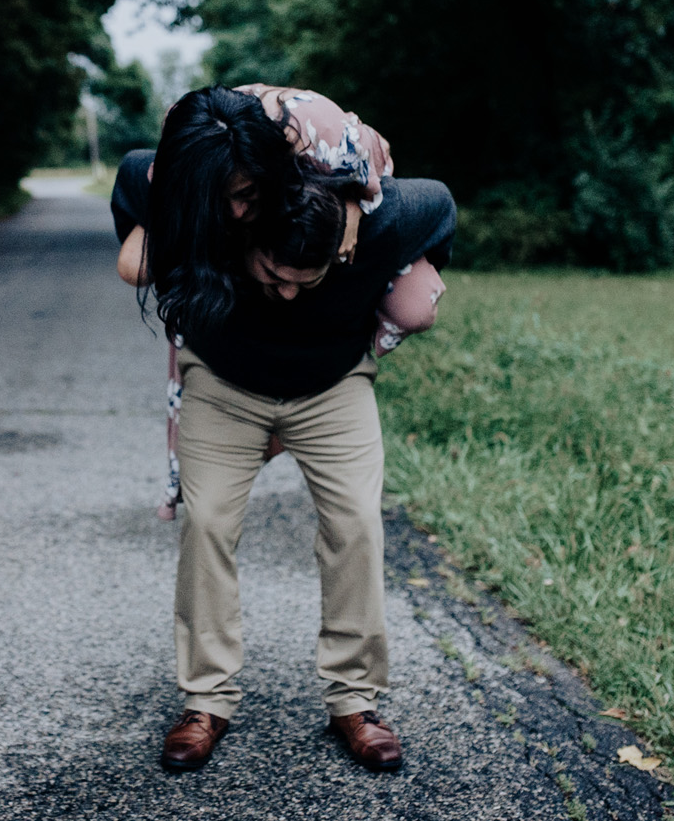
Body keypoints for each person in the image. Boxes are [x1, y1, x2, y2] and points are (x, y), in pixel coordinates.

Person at [110, 86, 456, 773]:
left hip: (332, 382)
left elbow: (440, 205)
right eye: (273, 274)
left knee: (357, 520)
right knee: (206, 522)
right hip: (225, 379)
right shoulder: (204, 193)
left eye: (242, 195)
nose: (233, 210)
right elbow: (132, 176)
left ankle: (354, 700)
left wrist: (375, 230)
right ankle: (205, 701)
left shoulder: (376, 218)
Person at [112, 85, 446, 519]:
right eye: (222, 199)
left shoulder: (320, 142)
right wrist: (186, 230)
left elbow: (402, 183)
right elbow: (134, 185)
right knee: (137, 268)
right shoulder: (175, 165)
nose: (234, 213)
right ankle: (240, 431)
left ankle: (297, 405)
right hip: (225, 357)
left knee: (416, 307)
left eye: (246, 195)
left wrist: (353, 204)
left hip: (347, 170)